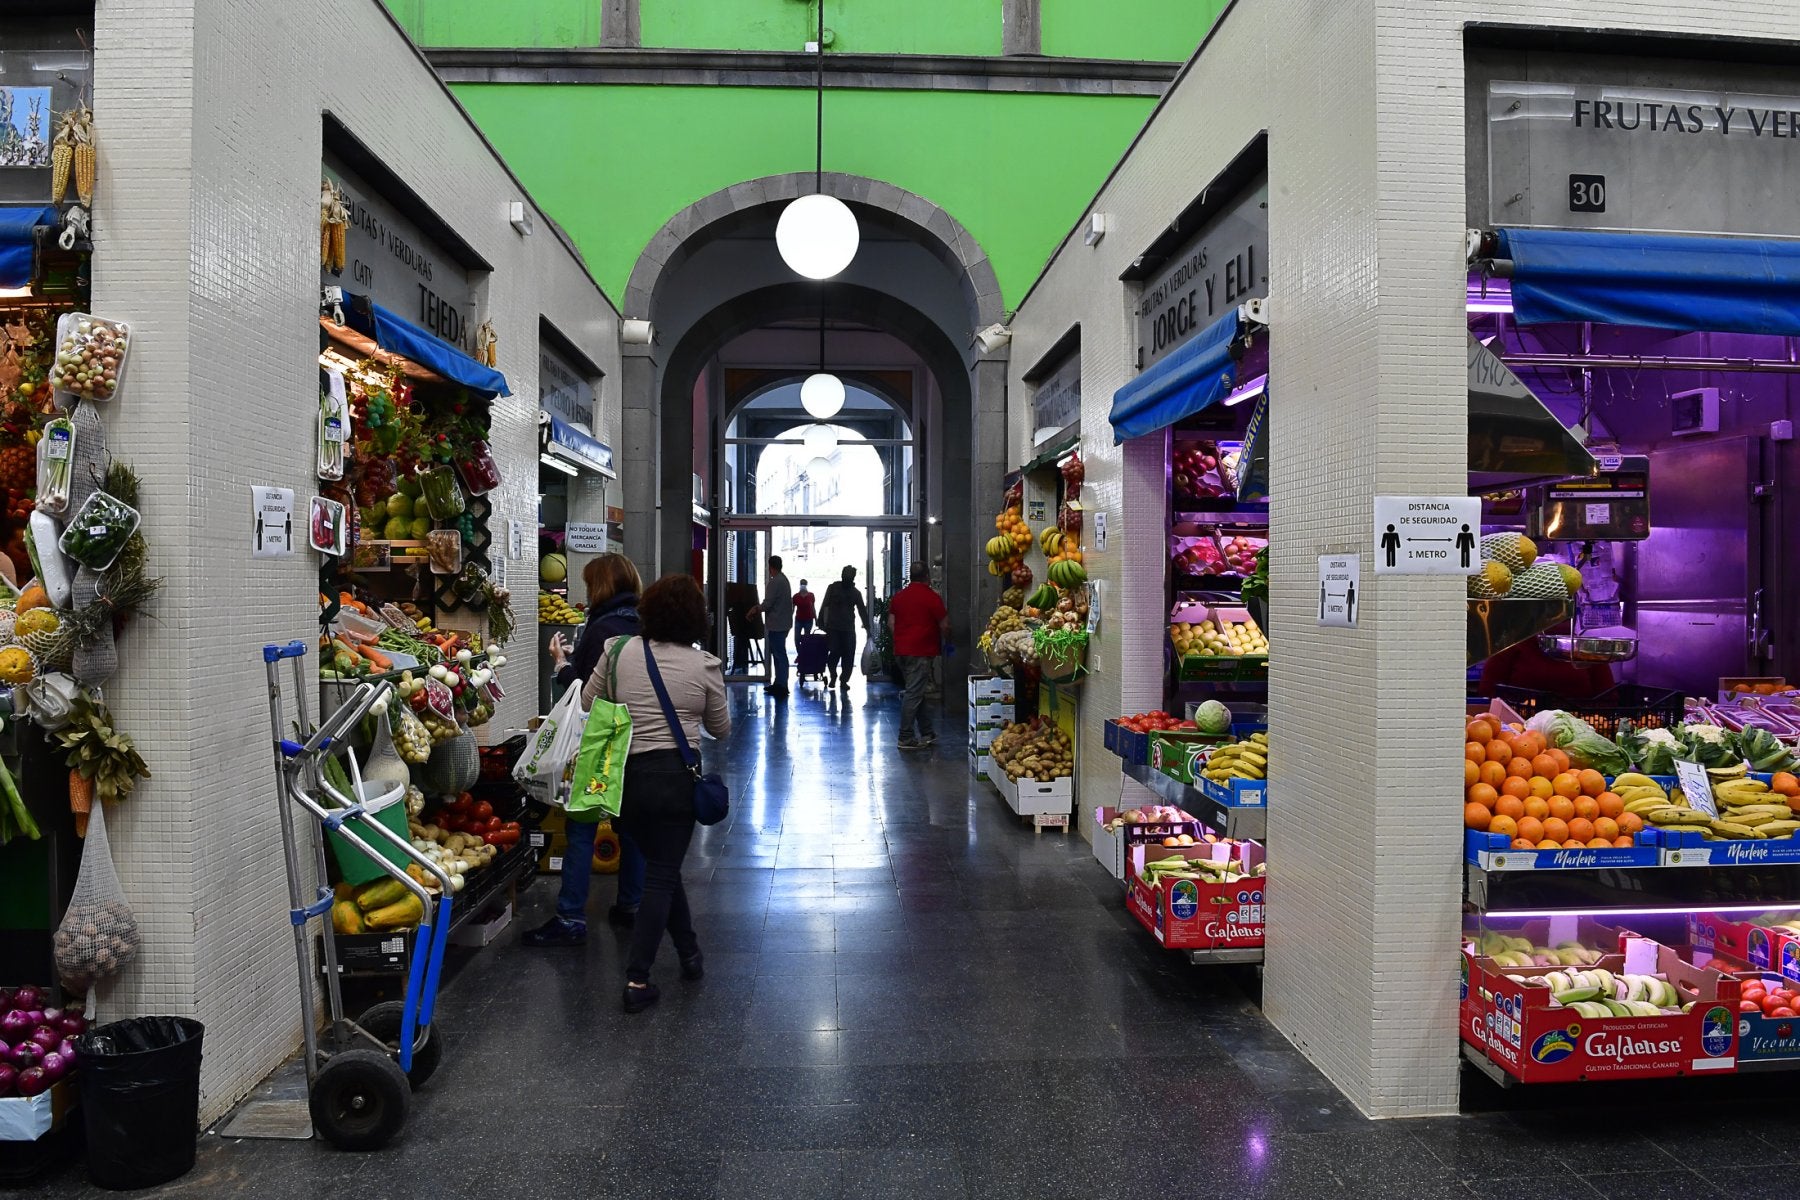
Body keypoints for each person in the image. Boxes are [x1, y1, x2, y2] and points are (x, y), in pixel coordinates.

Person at [587, 574, 730, 1013]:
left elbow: (592, 702)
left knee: (660, 872)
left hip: (625, 779)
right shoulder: (702, 665)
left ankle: (690, 956)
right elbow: (721, 730)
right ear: (694, 618)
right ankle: (637, 979)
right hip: (674, 780)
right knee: (662, 875)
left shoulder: (618, 652)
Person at [526, 553, 648, 944]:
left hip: (600, 741)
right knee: (632, 827)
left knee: (581, 827)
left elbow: (584, 690)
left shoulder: (602, 629)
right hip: (637, 737)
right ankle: (631, 906)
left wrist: (561, 663)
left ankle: (570, 917)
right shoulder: (644, 622)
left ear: (601, 586)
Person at [887, 562, 950, 748]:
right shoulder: (932, 597)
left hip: (901, 652)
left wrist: (901, 639)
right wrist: (948, 641)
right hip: (920, 652)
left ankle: (927, 732)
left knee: (917, 690)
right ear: (927, 576)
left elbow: (891, 623)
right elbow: (945, 625)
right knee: (913, 693)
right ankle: (905, 736)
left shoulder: (899, 597)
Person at [818, 564, 871, 691]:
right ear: (842, 576)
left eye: (849, 577)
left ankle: (843, 680)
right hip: (834, 628)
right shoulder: (833, 588)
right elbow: (824, 604)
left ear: (852, 578)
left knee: (848, 656)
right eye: (845, 576)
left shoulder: (855, 593)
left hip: (848, 629)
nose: (846, 578)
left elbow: (862, 610)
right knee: (834, 654)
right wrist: (820, 622)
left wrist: (868, 628)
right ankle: (834, 676)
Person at [761, 555, 794, 697]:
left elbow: (768, 604)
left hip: (777, 625)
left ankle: (782, 684)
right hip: (783, 624)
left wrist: (756, 609)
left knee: (780, 655)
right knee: (778, 654)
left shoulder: (775, 582)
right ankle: (779, 682)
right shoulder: (784, 580)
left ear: (770, 567)